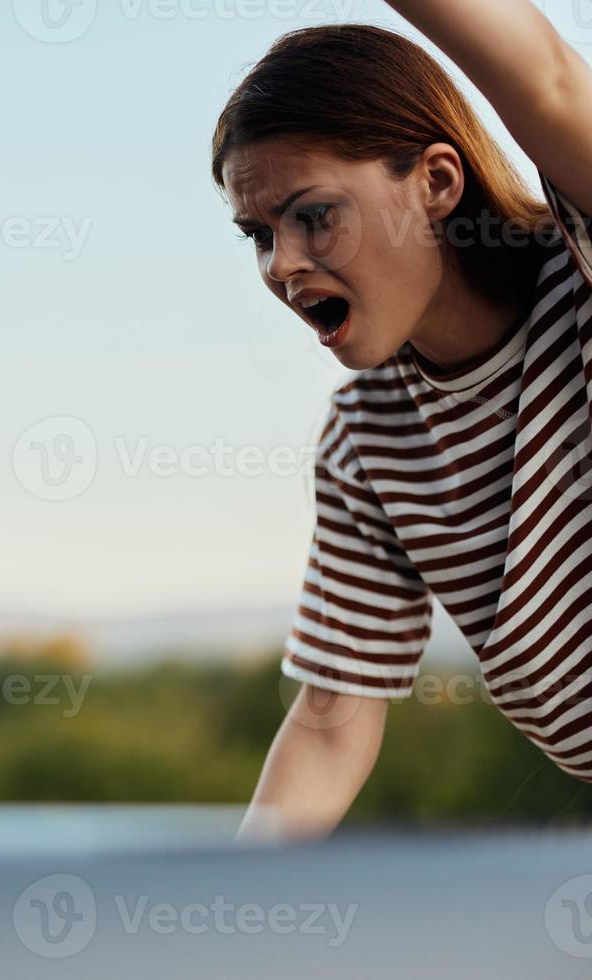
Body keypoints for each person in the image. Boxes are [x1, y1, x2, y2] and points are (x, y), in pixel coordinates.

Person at [215, 7, 592, 840]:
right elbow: (329, 719)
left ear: (435, 182)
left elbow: (549, 78)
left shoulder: (582, 271)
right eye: (257, 233)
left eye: (312, 215)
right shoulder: (366, 438)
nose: (280, 265)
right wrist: (228, 911)